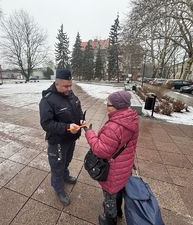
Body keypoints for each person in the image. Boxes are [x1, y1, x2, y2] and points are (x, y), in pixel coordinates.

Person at [83, 90, 139, 225]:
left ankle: (110, 219)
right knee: (119, 189)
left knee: (110, 194)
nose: (106, 106)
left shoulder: (113, 127)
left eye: (108, 104)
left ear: (117, 107)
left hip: (113, 170)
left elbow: (100, 150)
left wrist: (88, 131)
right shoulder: (132, 119)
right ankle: (119, 211)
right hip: (124, 166)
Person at [39, 69, 84, 206]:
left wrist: (81, 119)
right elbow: (46, 124)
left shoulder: (69, 93)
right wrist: (66, 128)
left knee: (67, 160)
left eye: (70, 85)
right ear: (57, 83)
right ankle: (59, 189)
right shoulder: (47, 100)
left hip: (71, 138)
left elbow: (77, 109)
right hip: (57, 141)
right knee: (57, 165)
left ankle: (65, 175)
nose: (69, 89)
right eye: (66, 86)